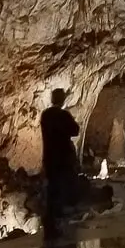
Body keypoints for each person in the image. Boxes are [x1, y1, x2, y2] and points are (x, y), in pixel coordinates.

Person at [40, 88, 80, 236]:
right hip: (63, 157)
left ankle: (50, 221)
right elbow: (75, 130)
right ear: (63, 100)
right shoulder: (63, 115)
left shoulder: (46, 115)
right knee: (63, 187)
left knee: (52, 188)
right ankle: (59, 220)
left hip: (49, 156)